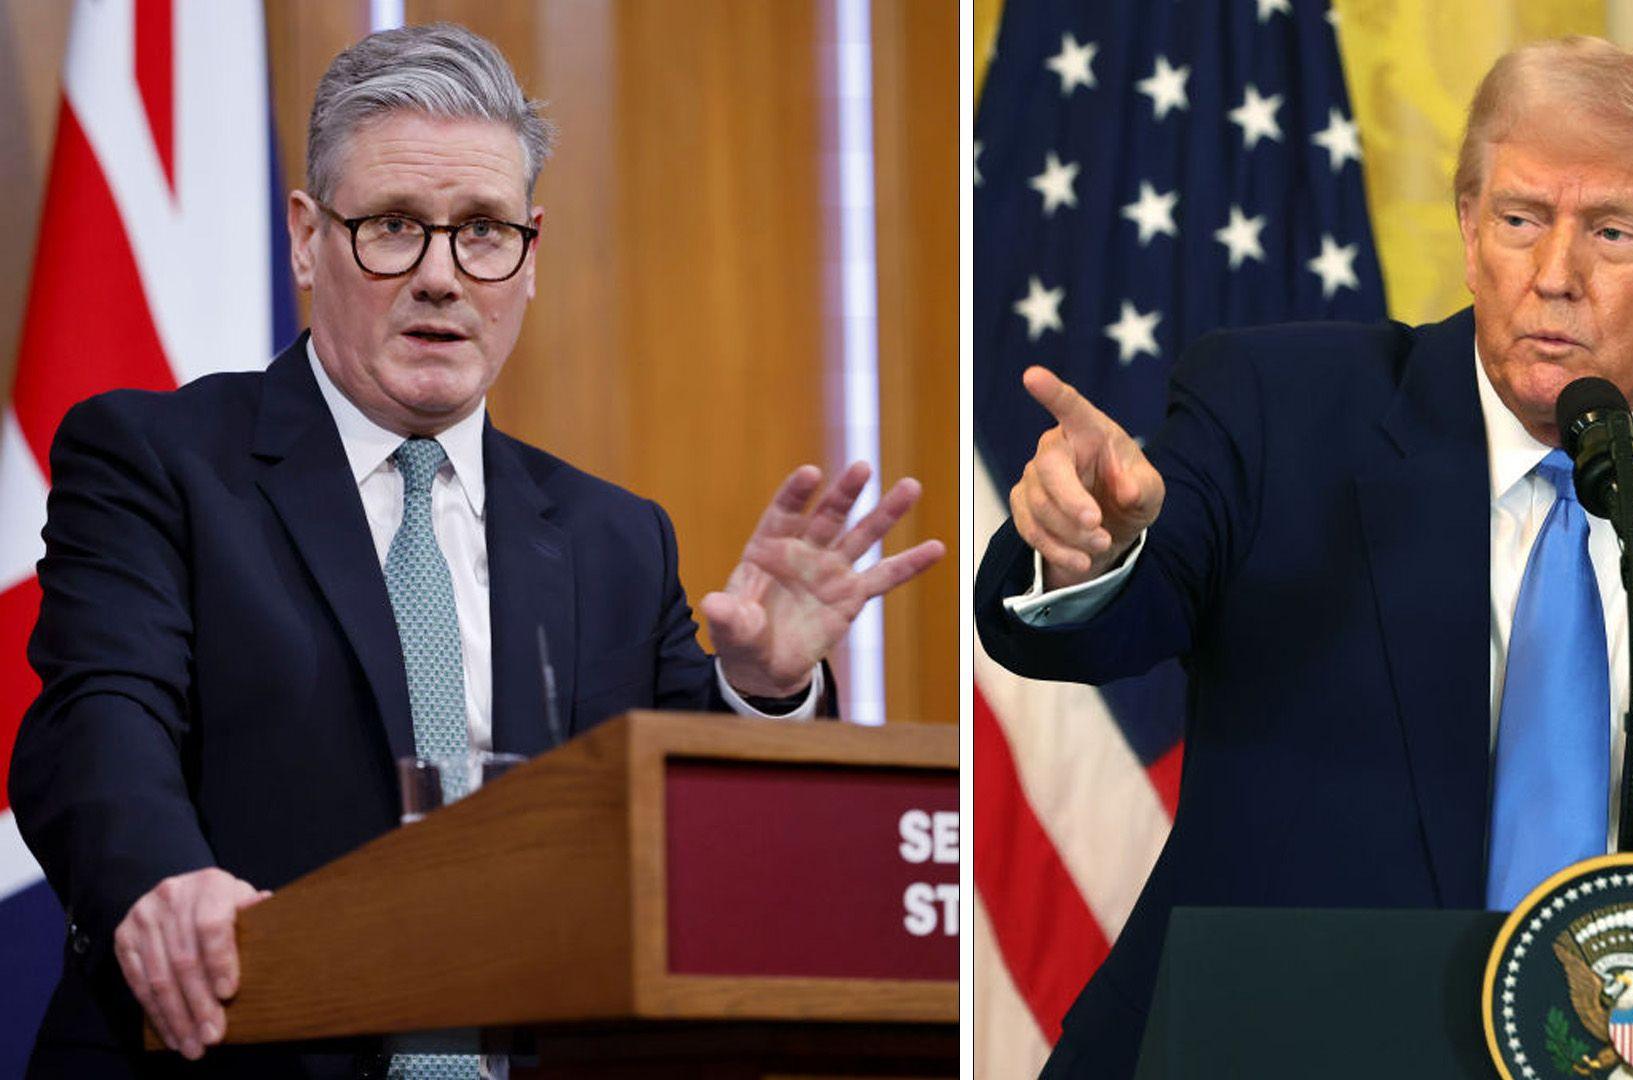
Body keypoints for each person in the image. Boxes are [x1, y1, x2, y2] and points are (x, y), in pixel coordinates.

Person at [9, 23, 943, 1078]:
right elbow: (98, 717)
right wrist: (158, 884)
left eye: (484, 231)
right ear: (308, 240)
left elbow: (698, 843)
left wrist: (762, 691)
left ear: (531, 255)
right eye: (396, 226)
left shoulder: (614, 538)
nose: (443, 276)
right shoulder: (161, 462)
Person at [975, 35, 1633, 1076]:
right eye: (1520, 220)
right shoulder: (1281, 413)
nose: (1554, 276)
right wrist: (1089, 552)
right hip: (1271, 1049)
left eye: (1613, 232)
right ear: (1470, 232)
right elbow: (1125, 608)